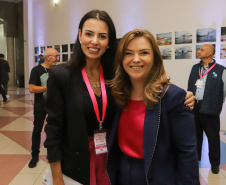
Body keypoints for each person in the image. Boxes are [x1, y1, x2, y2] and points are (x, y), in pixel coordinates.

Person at [44, 10, 195, 185]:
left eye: (102, 36)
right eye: (89, 34)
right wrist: (57, 178)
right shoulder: (62, 75)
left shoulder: (114, 76)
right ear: (79, 35)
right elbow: (53, 131)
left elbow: (146, 82)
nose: (95, 41)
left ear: (109, 41)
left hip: (111, 160)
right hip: (79, 161)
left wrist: (179, 96)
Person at [106, 29, 200, 185]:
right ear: (121, 59)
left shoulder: (173, 97)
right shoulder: (118, 95)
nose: (136, 59)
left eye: (143, 53)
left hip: (157, 178)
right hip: (121, 176)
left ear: (155, 58)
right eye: (128, 53)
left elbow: (187, 154)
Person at [188, 44, 226, 174]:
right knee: (195, 136)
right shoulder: (195, 68)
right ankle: (195, 160)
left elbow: (224, 90)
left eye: (201, 50)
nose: (199, 51)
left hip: (210, 108)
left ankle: (214, 164)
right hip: (195, 107)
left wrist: (216, 104)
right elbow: (189, 86)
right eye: (199, 50)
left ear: (209, 53)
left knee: (213, 138)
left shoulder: (221, 70)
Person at [28, 48, 58, 168]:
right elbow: (32, 88)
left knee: (55, 130)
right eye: (56, 56)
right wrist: (47, 87)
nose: (57, 58)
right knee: (37, 130)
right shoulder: (36, 70)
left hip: (55, 105)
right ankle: (34, 155)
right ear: (48, 57)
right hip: (41, 105)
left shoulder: (57, 70)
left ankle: (55, 153)